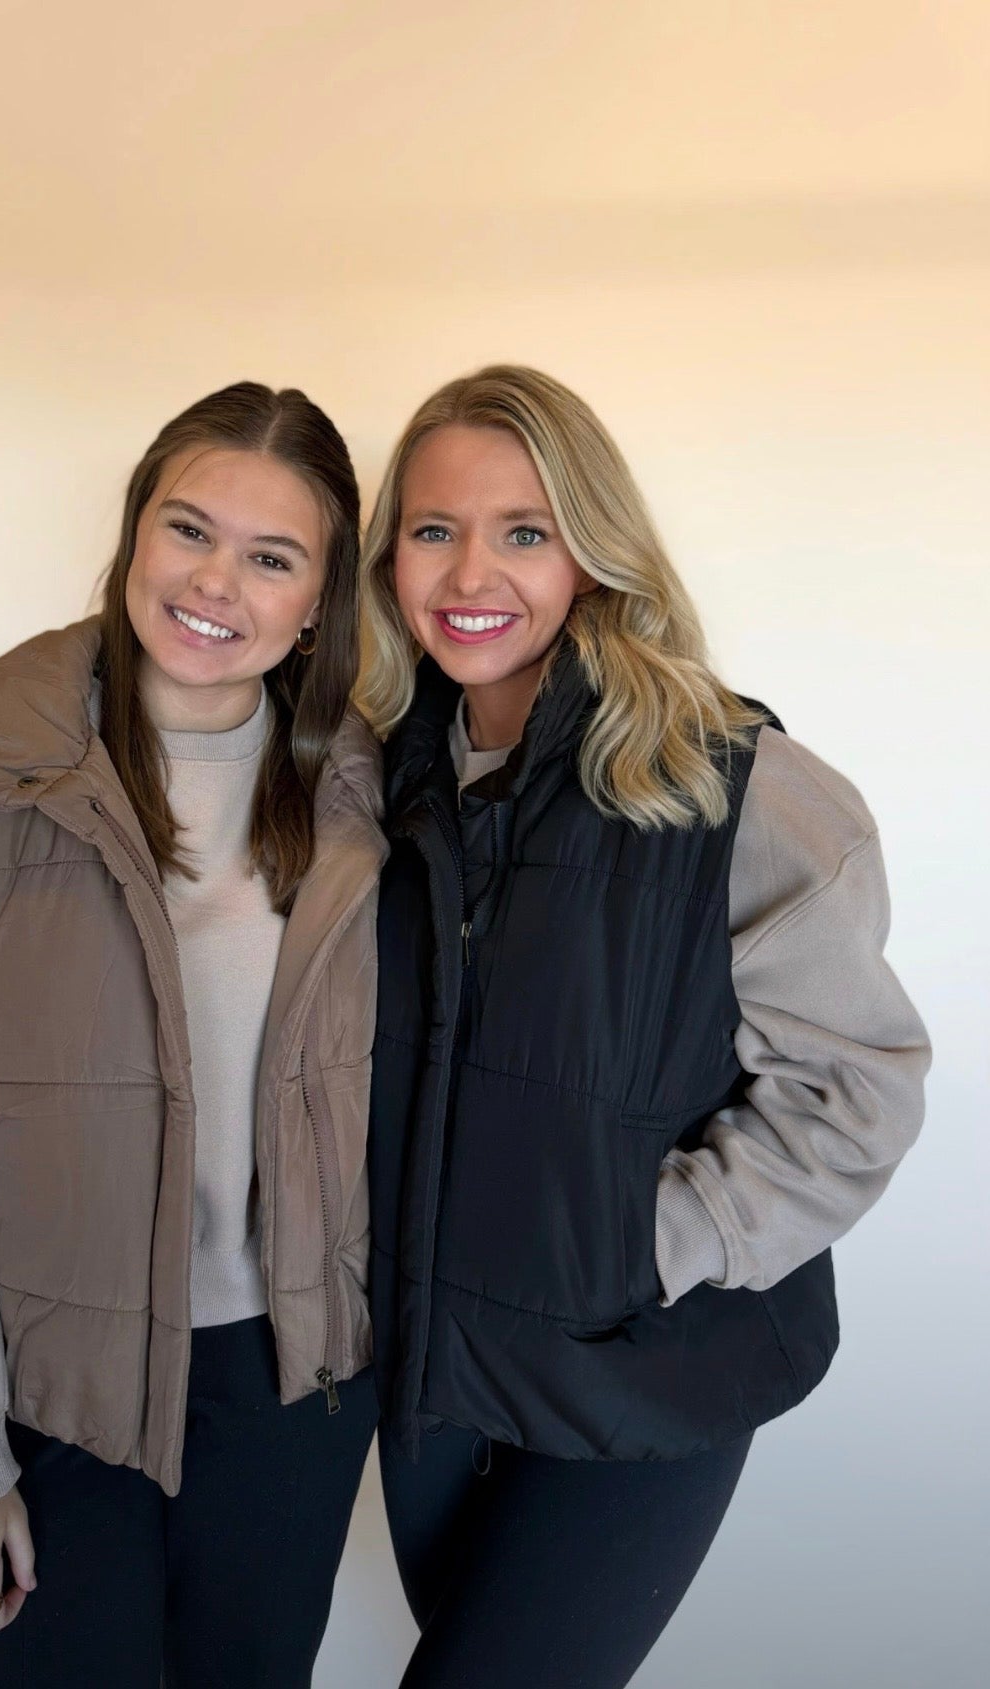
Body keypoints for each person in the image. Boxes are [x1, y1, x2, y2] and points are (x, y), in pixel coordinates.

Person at [0, 381, 387, 1688]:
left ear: (314, 602)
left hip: (291, 1403)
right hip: (45, 1399)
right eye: (188, 528)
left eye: (270, 556)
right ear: (134, 533)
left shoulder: (360, 788)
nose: (214, 580)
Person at [358, 365, 931, 1689]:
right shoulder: (378, 789)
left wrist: (638, 1244)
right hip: (433, 1373)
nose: (468, 571)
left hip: (642, 1365)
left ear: (593, 552)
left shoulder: (733, 784)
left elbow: (854, 1094)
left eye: (522, 529)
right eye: (432, 528)